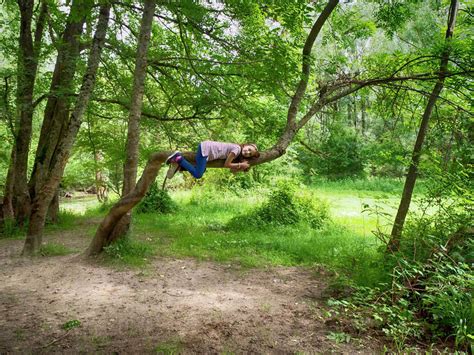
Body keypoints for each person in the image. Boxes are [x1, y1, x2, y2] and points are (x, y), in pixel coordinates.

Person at [165, 141, 260, 179]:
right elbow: (227, 164)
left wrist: (239, 167)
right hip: (206, 149)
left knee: (203, 169)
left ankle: (179, 165)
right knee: (198, 174)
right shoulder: (237, 149)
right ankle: (178, 158)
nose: (247, 152)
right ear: (246, 145)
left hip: (206, 148)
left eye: (249, 154)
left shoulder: (237, 152)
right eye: (249, 149)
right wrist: (241, 165)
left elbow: (232, 170)